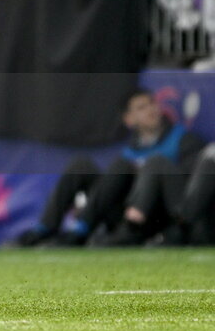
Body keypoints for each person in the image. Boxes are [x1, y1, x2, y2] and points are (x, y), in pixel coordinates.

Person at [15, 88, 207, 246]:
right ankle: (45, 229)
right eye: (141, 107)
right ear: (129, 120)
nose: (151, 110)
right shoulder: (130, 150)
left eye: (152, 103)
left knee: (145, 164)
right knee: (82, 166)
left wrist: (148, 171)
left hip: (155, 216)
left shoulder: (183, 139)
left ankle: (82, 230)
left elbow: (191, 187)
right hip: (124, 213)